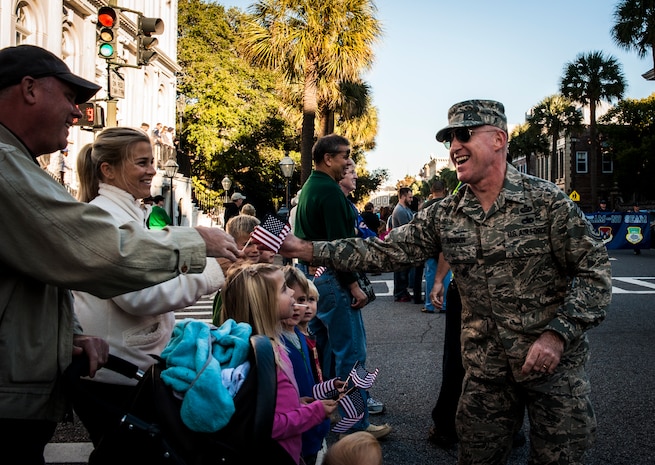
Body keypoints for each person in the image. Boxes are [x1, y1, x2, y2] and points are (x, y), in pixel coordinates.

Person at [279, 100, 612, 465]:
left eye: (465, 135)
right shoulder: (445, 214)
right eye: (449, 139)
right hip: (486, 376)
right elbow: (383, 253)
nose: (454, 147)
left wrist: (557, 335)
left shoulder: (548, 203)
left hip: (554, 371)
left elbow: (594, 274)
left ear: (499, 139)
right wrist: (307, 249)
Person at [0, 44, 239, 465]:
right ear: (30, 89)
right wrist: (201, 248)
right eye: (70, 97)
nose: (77, 113)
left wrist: (69, 335)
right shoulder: (8, 166)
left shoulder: (19, 166)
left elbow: (47, 274)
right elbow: (101, 258)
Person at [72, 127, 226, 447]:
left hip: (128, 366)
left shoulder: (126, 212)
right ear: (108, 170)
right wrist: (211, 272)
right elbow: (140, 294)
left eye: (152, 162)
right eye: (142, 163)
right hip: (117, 371)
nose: (153, 170)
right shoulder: (106, 217)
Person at [293, 134, 391, 440]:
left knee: (326, 351)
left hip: (314, 280)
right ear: (327, 159)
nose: (348, 160)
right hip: (334, 281)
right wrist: (353, 286)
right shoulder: (331, 194)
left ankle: (327, 410)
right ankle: (357, 424)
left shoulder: (310, 188)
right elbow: (342, 248)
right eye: (344, 156)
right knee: (351, 353)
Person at [219, 263, 337, 465]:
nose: (291, 291)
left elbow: (269, 407)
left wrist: (296, 404)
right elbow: (269, 425)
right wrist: (314, 412)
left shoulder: (270, 349)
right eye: (284, 289)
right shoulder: (264, 360)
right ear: (265, 304)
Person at [282, 266, 331, 465]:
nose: (298, 307)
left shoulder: (301, 337)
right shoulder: (277, 343)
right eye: (292, 300)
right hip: (296, 432)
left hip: (312, 424)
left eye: (303, 300)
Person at [420, 180, 452, 313]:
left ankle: (430, 305)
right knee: (445, 277)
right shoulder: (449, 204)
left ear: (431, 191)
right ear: (443, 190)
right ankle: (444, 304)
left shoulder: (425, 206)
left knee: (430, 276)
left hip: (430, 246)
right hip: (446, 246)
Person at [391, 187, 414, 302]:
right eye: (409, 197)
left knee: (403, 272)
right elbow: (408, 227)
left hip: (403, 245)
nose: (411, 199)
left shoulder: (405, 209)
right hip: (401, 245)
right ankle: (400, 293)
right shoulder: (400, 211)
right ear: (403, 196)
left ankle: (402, 292)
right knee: (401, 272)